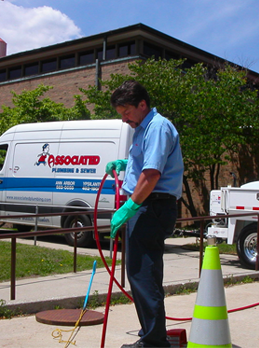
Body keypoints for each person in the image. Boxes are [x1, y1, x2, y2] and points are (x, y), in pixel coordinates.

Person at [106, 80, 184, 348]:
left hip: (152, 206)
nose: (124, 118)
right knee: (139, 274)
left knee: (144, 274)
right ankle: (150, 336)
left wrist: (129, 206)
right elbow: (146, 163)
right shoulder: (142, 128)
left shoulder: (157, 126)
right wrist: (126, 164)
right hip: (147, 205)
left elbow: (151, 174)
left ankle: (153, 342)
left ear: (142, 104)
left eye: (126, 111)